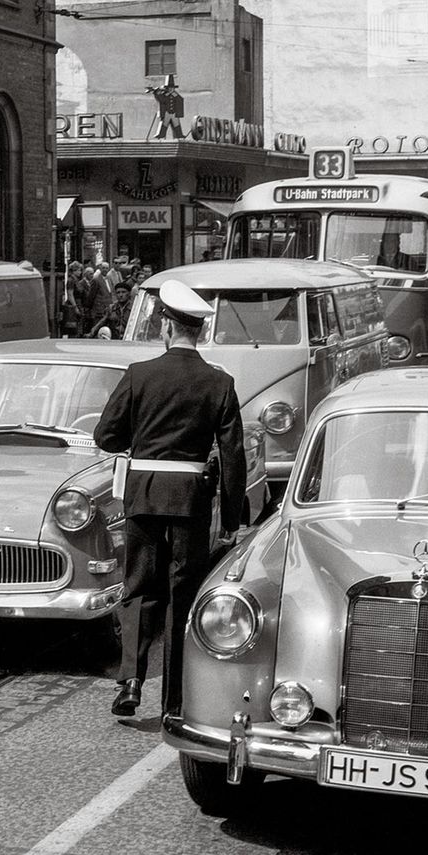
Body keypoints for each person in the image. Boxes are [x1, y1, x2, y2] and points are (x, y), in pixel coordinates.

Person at [94, 279, 246, 718]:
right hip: (190, 499)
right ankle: (174, 698)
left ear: (166, 327)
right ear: (197, 331)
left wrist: (140, 441)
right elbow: (233, 457)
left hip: (142, 492)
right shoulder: (218, 382)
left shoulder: (139, 374)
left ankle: (131, 683)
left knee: (139, 586)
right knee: (183, 590)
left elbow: (106, 436)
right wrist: (232, 520)